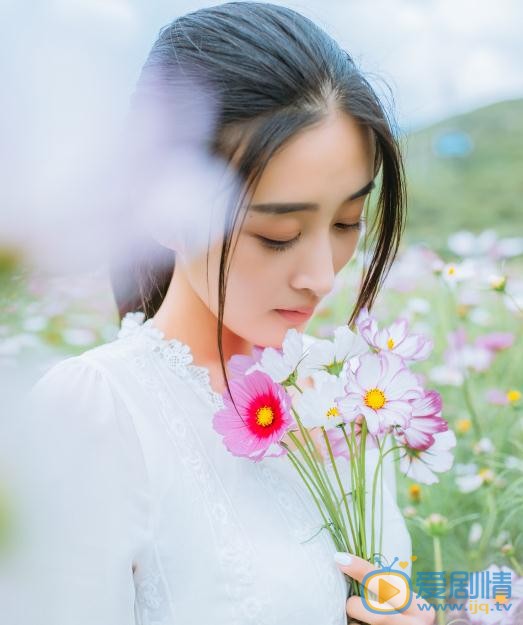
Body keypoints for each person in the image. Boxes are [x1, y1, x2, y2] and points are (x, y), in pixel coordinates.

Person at [8, 3, 435, 624]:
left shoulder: (348, 401)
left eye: (347, 222)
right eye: (277, 233)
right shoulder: (95, 414)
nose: (322, 275)